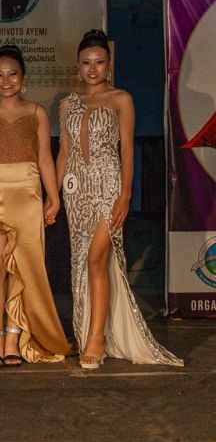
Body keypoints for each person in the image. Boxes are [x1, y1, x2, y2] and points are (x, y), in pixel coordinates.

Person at [57, 30, 182, 369]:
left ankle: (96, 338)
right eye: (86, 63)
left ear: (109, 65)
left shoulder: (120, 99)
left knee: (98, 257)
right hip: (75, 192)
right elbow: (65, 153)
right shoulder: (67, 103)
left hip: (107, 185)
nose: (92, 69)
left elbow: (127, 151)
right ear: (78, 66)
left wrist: (125, 195)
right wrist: (53, 196)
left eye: (99, 62)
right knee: (84, 262)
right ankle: (92, 330)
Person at [0, 44, 70, 367]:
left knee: (22, 270)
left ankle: (14, 338)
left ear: (23, 78)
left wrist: (53, 197)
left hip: (27, 194)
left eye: (12, 74)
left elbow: (45, 160)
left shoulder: (37, 112)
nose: (6, 80)